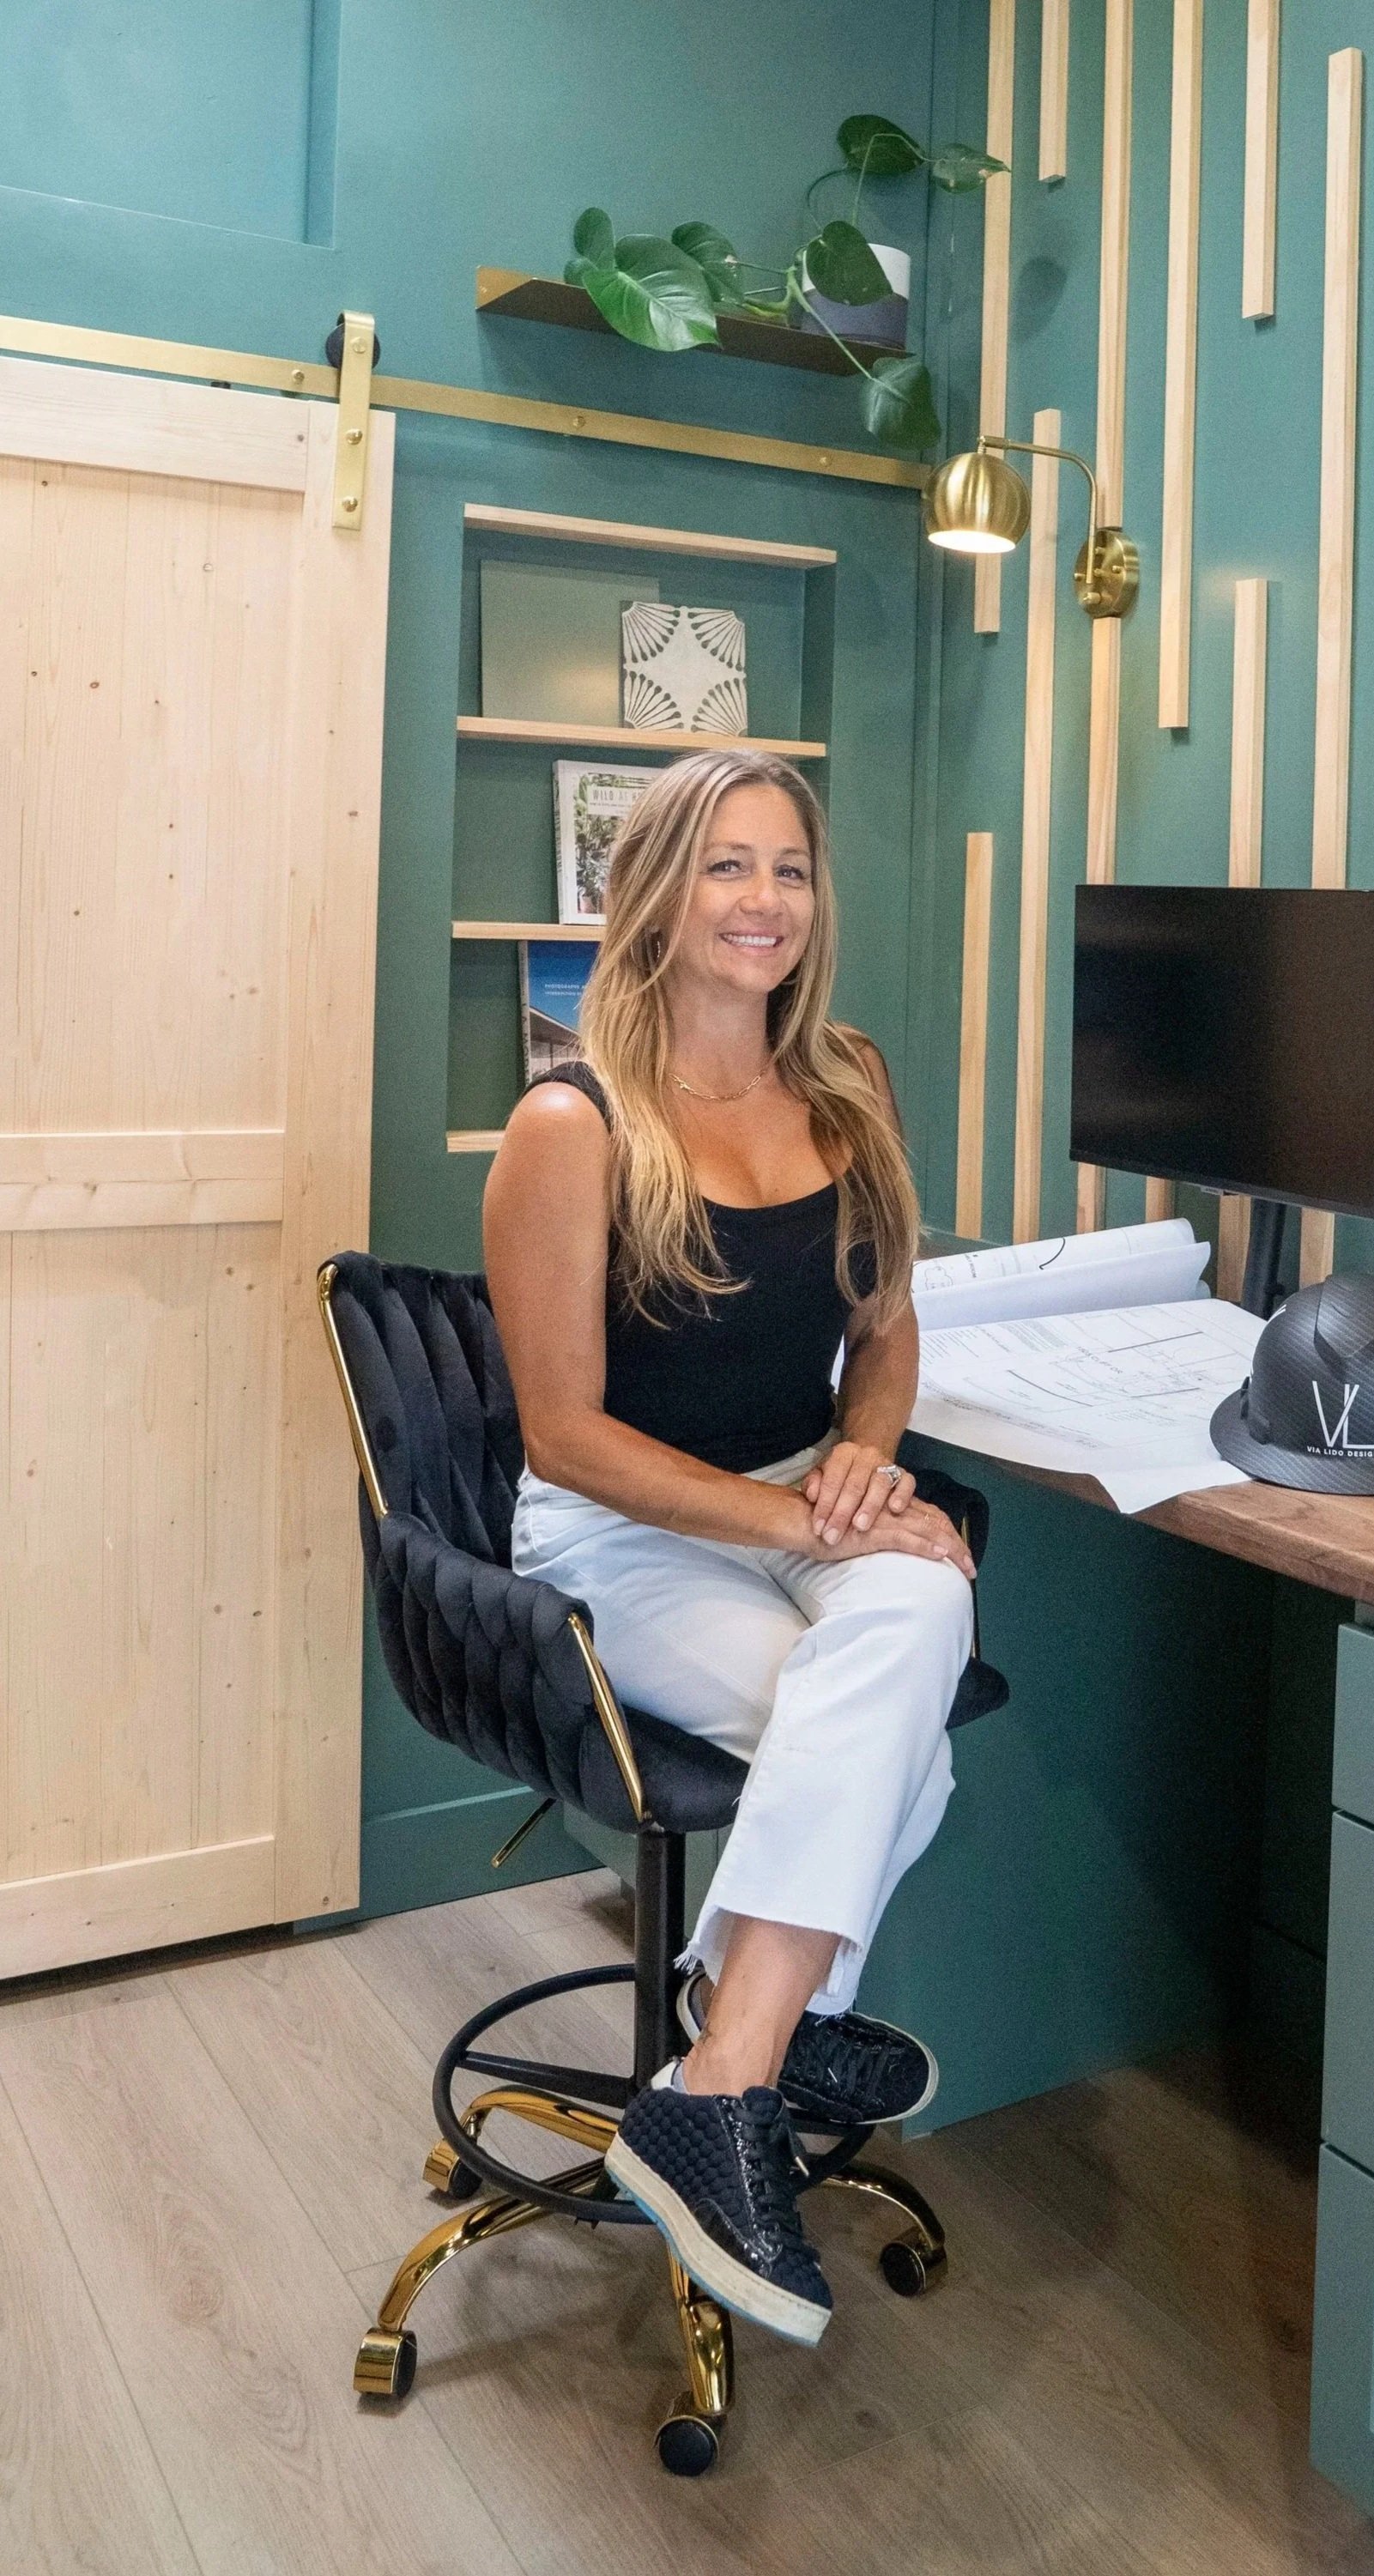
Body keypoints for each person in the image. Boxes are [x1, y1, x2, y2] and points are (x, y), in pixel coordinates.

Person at [483, 747, 976, 2349]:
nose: (766, 900)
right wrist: (807, 1514)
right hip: (619, 1531)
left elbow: (886, 1329)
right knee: (894, 1738)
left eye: (791, 868)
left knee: (919, 1610)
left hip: (796, 1495)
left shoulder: (850, 1078)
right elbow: (566, 1435)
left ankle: (719, 2069)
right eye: (727, 864)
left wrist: (864, 1457)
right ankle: (772, 2016)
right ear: (657, 890)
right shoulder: (571, 1121)